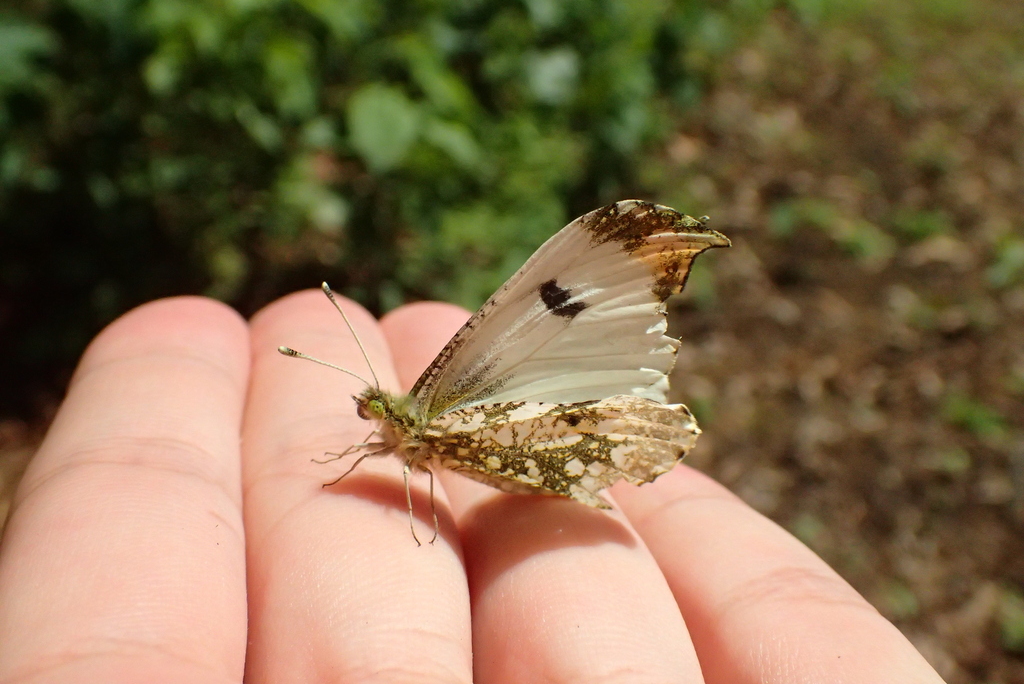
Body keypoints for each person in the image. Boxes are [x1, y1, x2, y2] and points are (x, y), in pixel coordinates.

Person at [0, 290, 946, 683]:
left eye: (377, 416)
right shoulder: (399, 432)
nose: (373, 424)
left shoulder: (424, 418)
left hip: (575, 439)